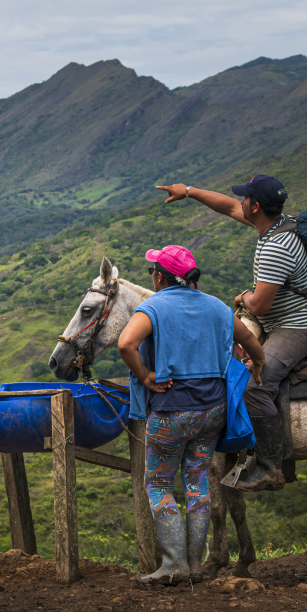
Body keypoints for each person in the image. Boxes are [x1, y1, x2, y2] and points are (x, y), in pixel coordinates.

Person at [157, 175, 307, 492]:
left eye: (245, 199)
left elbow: (260, 305)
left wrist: (241, 298)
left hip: (296, 326)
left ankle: (270, 466)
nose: (241, 203)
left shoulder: (277, 247)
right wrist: (189, 192)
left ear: (256, 206)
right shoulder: (278, 224)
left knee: (255, 384)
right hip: (282, 320)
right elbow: (227, 206)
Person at [118, 245, 264, 585]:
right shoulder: (216, 307)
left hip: (171, 411)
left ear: (158, 276)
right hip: (212, 411)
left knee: (157, 483)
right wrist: (257, 364)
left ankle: (173, 565)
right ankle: (196, 565)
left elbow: (126, 344)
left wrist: (145, 376)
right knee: (196, 481)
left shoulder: (152, 307)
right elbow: (252, 346)